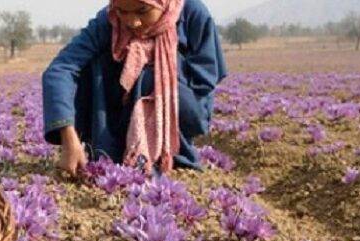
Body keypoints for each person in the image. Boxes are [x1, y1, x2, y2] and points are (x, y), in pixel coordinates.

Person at [42, 0, 226, 177]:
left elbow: (205, 79)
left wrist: (157, 70)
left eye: (142, 11)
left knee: (153, 69)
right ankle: (108, 148)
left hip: (181, 108)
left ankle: (167, 152)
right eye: (123, 11)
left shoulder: (191, 12)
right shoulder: (108, 20)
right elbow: (60, 70)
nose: (132, 22)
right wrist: (68, 137)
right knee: (94, 62)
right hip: (120, 114)